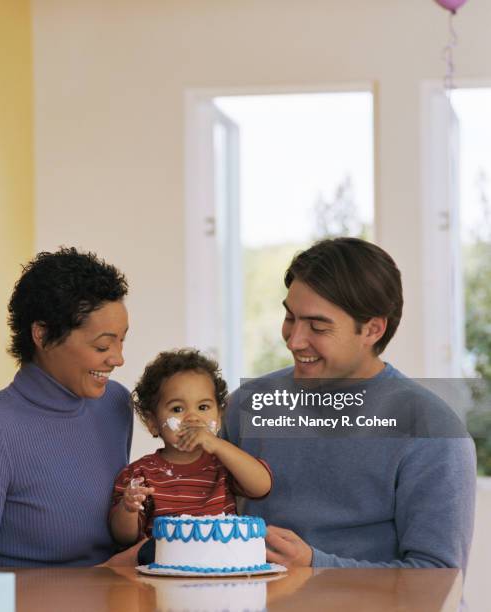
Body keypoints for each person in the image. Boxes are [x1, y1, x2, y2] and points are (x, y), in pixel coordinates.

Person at [222, 237, 477, 569]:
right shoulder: (249, 404)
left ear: (372, 329)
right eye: (290, 318)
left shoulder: (433, 432)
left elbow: (437, 578)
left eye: (317, 326)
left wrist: (315, 566)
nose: (295, 340)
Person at [0, 247, 135, 567]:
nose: (117, 358)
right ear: (42, 335)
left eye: (121, 341)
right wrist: (103, 576)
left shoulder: (115, 404)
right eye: (102, 345)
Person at [109, 349, 272, 558]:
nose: (193, 418)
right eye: (177, 409)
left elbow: (261, 486)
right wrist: (128, 508)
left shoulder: (223, 463)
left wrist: (218, 445)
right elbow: (123, 538)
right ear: (152, 423)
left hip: (222, 568)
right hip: (164, 575)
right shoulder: (140, 475)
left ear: (220, 417)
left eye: (203, 407)